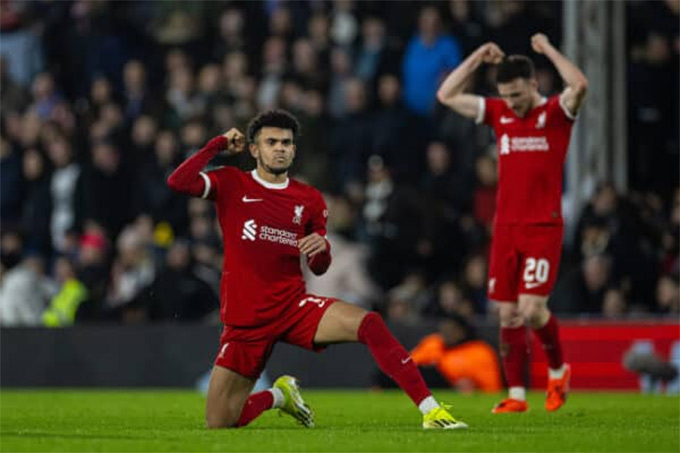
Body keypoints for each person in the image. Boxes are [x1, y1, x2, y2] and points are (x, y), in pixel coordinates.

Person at [166, 109, 467, 430]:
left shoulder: (308, 198)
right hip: (245, 320)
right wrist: (216, 145)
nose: (280, 148)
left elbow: (319, 267)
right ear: (254, 149)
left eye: (286, 142)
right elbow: (178, 181)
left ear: (294, 150)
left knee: (369, 323)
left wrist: (321, 250)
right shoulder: (231, 182)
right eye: (271, 142)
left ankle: (431, 411)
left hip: (291, 306)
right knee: (220, 421)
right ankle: (279, 396)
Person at [436, 33, 588, 413]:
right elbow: (447, 95)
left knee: (532, 309)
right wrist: (477, 57)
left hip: (543, 227)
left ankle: (558, 371)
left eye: (518, 95)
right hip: (506, 228)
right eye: (506, 96)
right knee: (506, 312)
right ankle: (517, 396)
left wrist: (549, 49)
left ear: (534, 85)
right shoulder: (499, 113)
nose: (512, 104)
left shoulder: (554, 113)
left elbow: (580, 84)